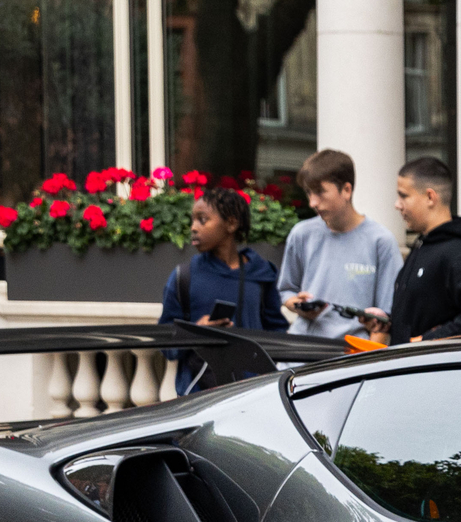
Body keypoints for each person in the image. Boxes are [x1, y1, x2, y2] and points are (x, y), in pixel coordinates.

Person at [157, 187, 287, 393]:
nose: (193, 227)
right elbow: (166, 345)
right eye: (192, 220)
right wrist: (196, 332)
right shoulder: (184, 276)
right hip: (199, 396)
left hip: (254, 393)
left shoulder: (262, 273)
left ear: (232, 223)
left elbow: (278, 333)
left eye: (202, 219)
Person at [363, 157, 461, 342]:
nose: (397, 204)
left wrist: (429, 340)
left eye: (403, 195)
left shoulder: (456, 251)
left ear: (430, 197)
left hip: (431, 369)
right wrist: (389, 323)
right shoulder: (424, 244)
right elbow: (425, 316)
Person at [278, 148, 403, 340]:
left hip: (351, 358)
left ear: (346, 190)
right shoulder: (301, 233)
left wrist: (369, 360)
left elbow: (385, 318)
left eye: (320, 192)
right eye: (309, 193)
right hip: (300, 353)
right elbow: (286, 291)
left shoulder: (381, 241)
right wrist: (299, 305)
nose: (312, 202)